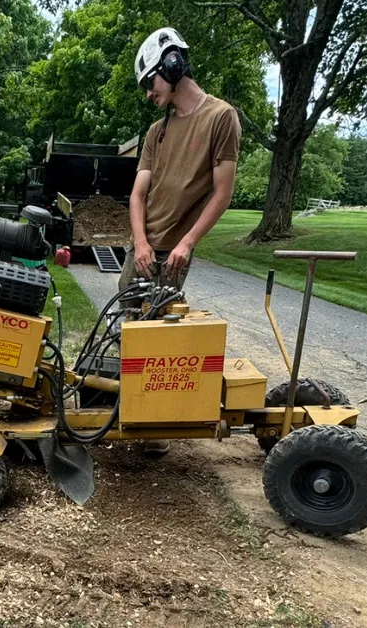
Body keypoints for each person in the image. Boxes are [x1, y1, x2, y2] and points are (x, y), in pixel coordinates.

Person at [124, 27, 241, 455]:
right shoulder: (157, 131)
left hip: (174, 253)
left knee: (158, 340)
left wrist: (188, 242)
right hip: (142, 247)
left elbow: (222, 192)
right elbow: (137, 194)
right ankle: (124, 409)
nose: (147, 93)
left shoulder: (220, 118)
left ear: (171, 66)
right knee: (126, 329)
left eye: (149, 82)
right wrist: (139, 242)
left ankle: (151, 432)